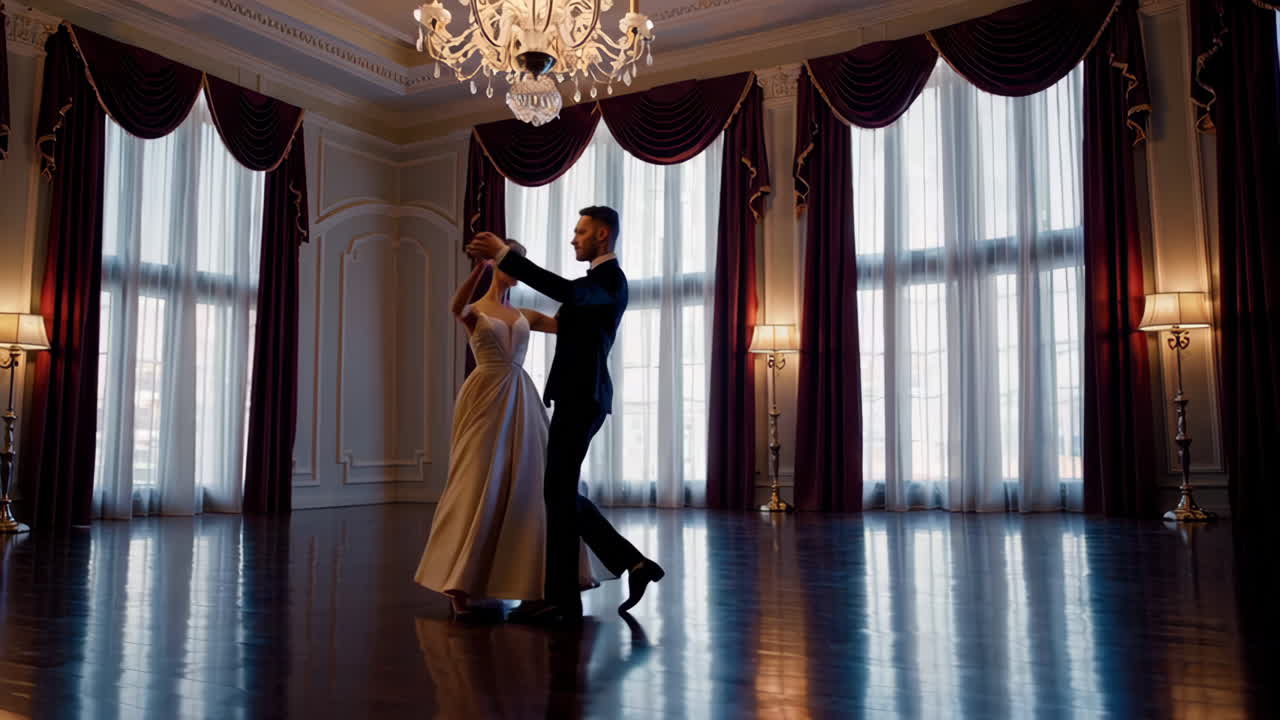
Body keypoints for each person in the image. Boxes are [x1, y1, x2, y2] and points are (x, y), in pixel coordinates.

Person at [466, 205, 665, 626]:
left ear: (603, 236)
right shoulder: (594, 284)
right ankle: (622, 568)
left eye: (581, 231)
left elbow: (567, 293)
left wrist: (506, 256)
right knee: (557, 494)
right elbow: (565, 312)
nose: (573, 238)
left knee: (556, 495)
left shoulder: (609, 281)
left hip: (585, 398)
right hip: (577, 397)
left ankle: (563, 599)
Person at [413, 241, 598, 619]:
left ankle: (532, 581)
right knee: (477, 479)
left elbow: (571, 326)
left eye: (522, 263)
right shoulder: (477, 311)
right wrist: (480, 269)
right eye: (512, 262)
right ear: (497, 264)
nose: (517, 268)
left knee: (528, 485)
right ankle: (459, 581)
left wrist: (589, 297)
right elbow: (456, 309)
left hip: (520, 395)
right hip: (485, 394)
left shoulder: (525, 314)